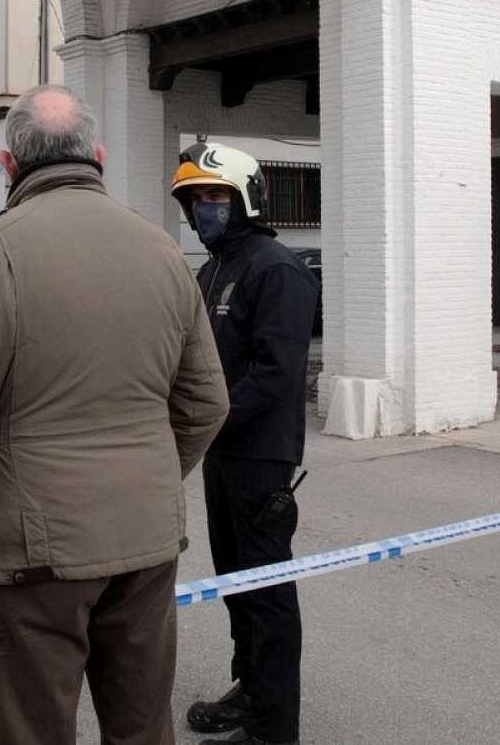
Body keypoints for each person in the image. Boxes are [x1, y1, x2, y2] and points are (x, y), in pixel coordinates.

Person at [0, 84, 229, 744]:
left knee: (34, 728)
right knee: (143, 726)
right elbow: (206, 400)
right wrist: (148, 473)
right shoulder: (164, 252)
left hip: (36, 552)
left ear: (8, 166)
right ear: (100, 156)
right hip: (144, 539)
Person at [171, 140, 318, 745]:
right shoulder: (212, 270)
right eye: (196, 199)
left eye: (215, 196)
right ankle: (250, 686)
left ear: (244, 198)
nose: (205, 209)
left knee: (266, 589)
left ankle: (273, 726)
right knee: (235, 581)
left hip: (260, 457)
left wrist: (209, 417)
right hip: (222, 453)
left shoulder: (275, 268)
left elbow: (277, 374)